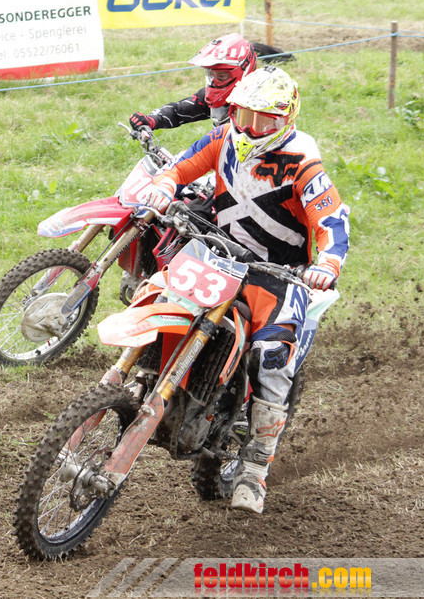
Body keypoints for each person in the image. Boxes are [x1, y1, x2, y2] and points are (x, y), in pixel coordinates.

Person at [139, 66, 350, 514]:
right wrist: (163, 185)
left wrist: (327, 263)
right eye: (245, 116)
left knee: (271, 358)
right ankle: (136, 380)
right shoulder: (223, 138)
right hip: (217, 255)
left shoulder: (302, 161)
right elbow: (181, 166)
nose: (252, 128)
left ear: (286, 119)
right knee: (156, 294)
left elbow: (332, 219)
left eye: (264, 120)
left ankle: (254, 469)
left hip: (278, 274)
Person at [130, 33, 258, 132]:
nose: (215, 82)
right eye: (211, 75)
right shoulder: (213, 95)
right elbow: (179, 111)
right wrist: (153, 120)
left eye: (221, 76)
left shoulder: (261, 100)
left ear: (244, 69)